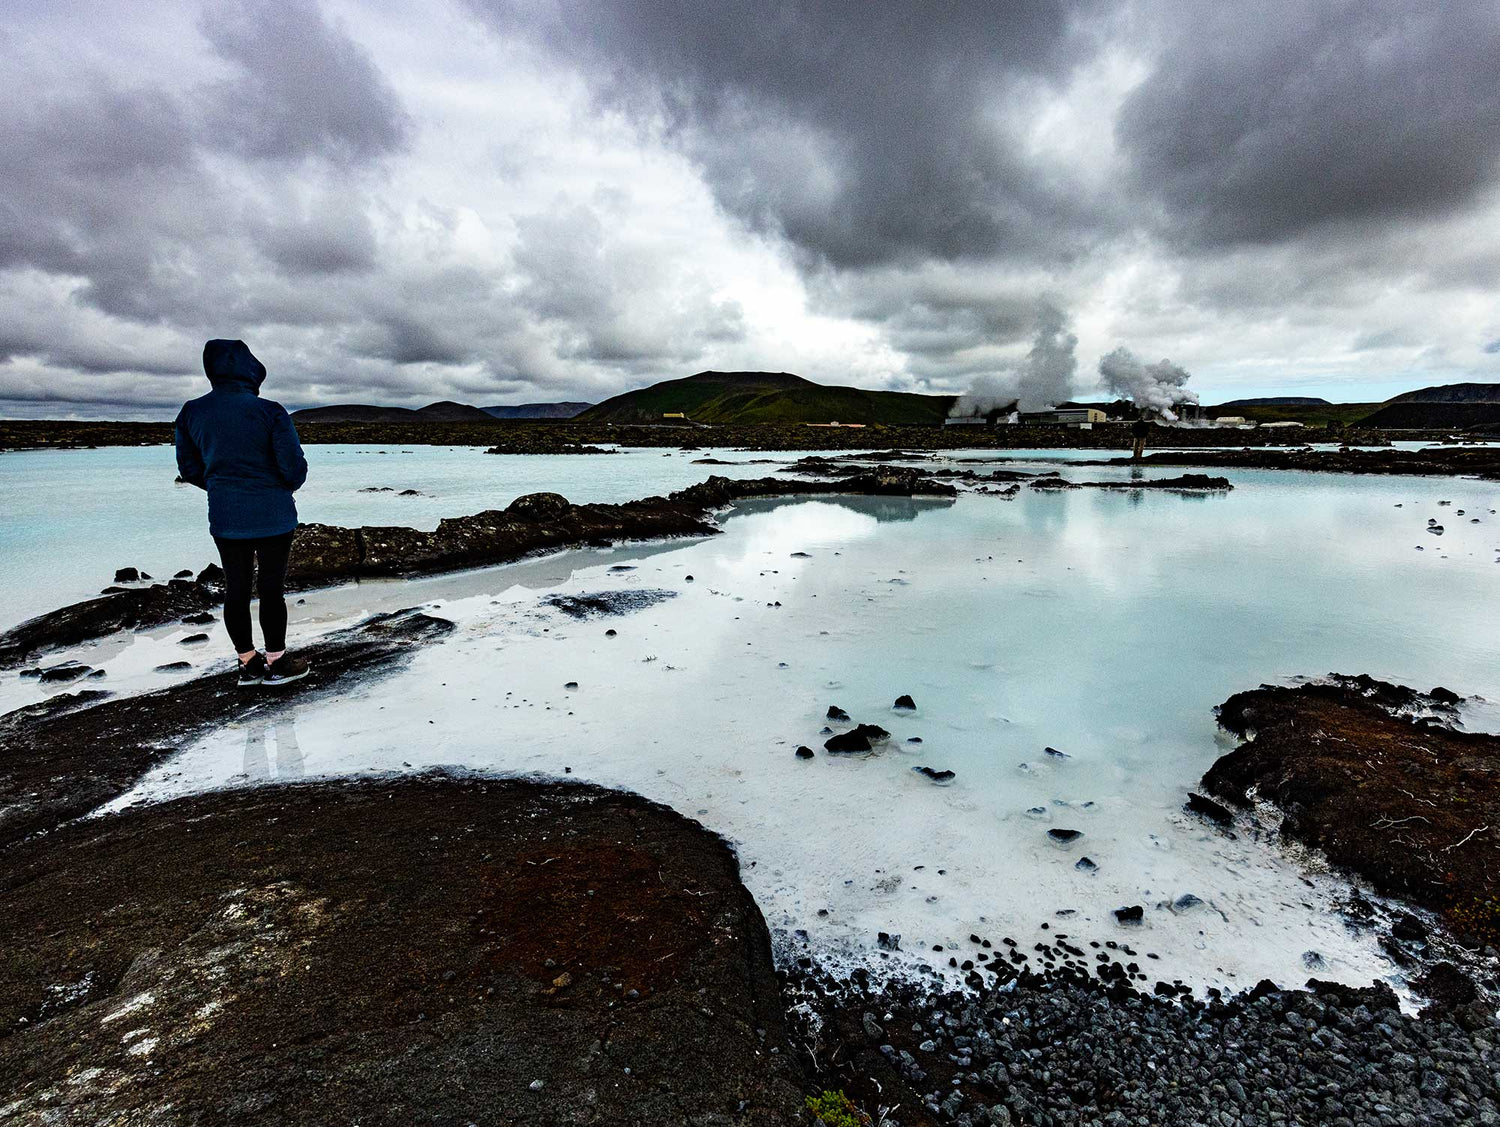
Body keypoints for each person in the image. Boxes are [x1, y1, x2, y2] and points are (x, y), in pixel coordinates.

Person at [175, 339, 311, 686]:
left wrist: (223, 487)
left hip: (226, 516)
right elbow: (293, 469)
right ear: (249, 368)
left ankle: (247, 663)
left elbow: (189, 469)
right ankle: (277, 661)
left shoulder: (191, 411)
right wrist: (274, 487)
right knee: (271, 589)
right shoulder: (270, 411)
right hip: (274, 515)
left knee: (235, 589)